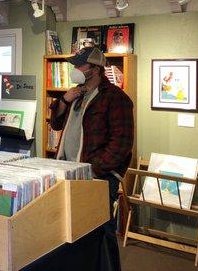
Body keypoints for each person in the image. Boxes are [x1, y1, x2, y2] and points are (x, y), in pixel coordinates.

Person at [49, 46, 133, 271]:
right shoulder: (76, 93)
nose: (75, 69)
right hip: (67, 172)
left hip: (98, 177)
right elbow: (56, 124)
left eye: (79, 65)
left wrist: (95, 170)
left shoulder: (116, 99)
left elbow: (122, 144)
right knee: (73, 229)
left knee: (102, 229)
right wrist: (64, 100)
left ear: (95, 68)